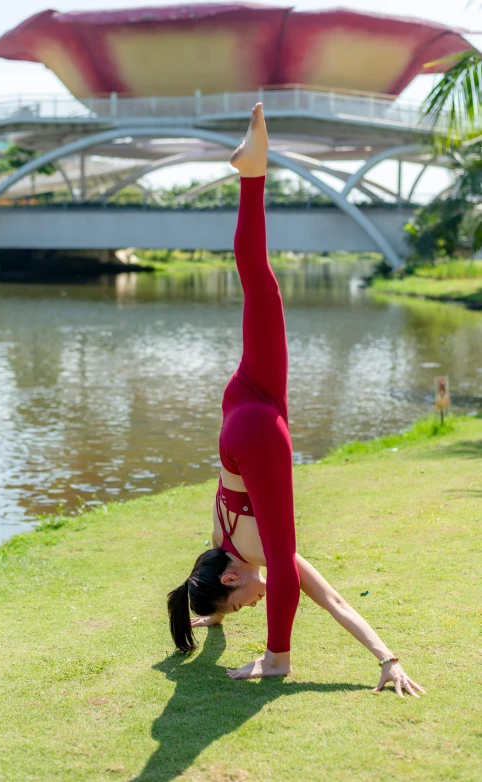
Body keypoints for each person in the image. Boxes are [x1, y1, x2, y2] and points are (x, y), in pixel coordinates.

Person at [167, 104, 426, 696]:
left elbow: (309, 588)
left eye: (240, 606)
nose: (251, 606)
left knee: (285, 563)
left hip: (258, 433)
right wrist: (207, 613)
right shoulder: (220, 543)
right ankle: (251, 175)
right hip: (239, 410)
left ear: (231, 576)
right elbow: (235, 580)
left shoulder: (248, 554)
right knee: (260, 287)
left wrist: (277, 654)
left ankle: (279, 660)